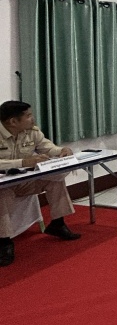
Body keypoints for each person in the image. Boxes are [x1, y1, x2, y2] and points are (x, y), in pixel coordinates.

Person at [0, 101, 81, 267]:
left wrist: (62, 151)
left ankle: (58, 223)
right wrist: (24, 162)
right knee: (3, 194)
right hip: (4, 185)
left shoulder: (31, 132)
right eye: (28, 116)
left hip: (23, 180)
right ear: (13, 121)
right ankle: (4, 242)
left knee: (55, 181)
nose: (33, 118)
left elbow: (47, 148)